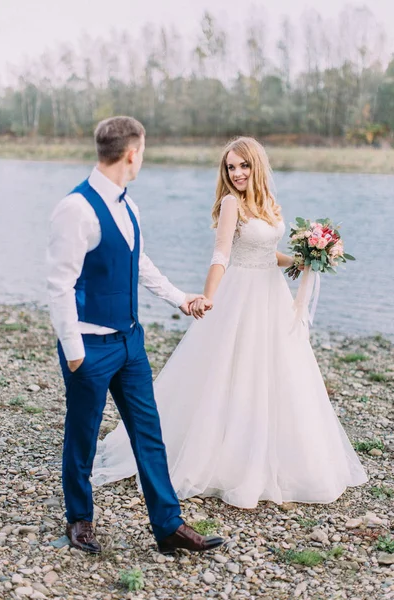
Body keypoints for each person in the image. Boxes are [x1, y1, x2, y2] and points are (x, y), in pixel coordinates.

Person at [92, 136, 368, 508]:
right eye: (230, 167)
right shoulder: (230, 203)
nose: (236, 173)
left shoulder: (269, 202)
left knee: (278, 372)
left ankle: (277, 453)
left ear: (257, 165)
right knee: (229, 370)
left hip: (270, 295)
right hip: (239, 294)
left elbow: (269, 254)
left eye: (243, 165)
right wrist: (208, 297)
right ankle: (221, 455)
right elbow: (221, 253)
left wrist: (306, 258)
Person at [47, 116, 224, 555]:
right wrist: (73, 354)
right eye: (143, 150)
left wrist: (180, 298)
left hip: (130, 343)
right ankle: (80, 519)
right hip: (88, 347)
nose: (142, 157)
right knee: (82, 434)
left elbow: (138, 263)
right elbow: (58, 286)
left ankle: (168, 526)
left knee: (149, 433)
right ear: (132, 153)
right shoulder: (76, 209)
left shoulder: (130, 206)